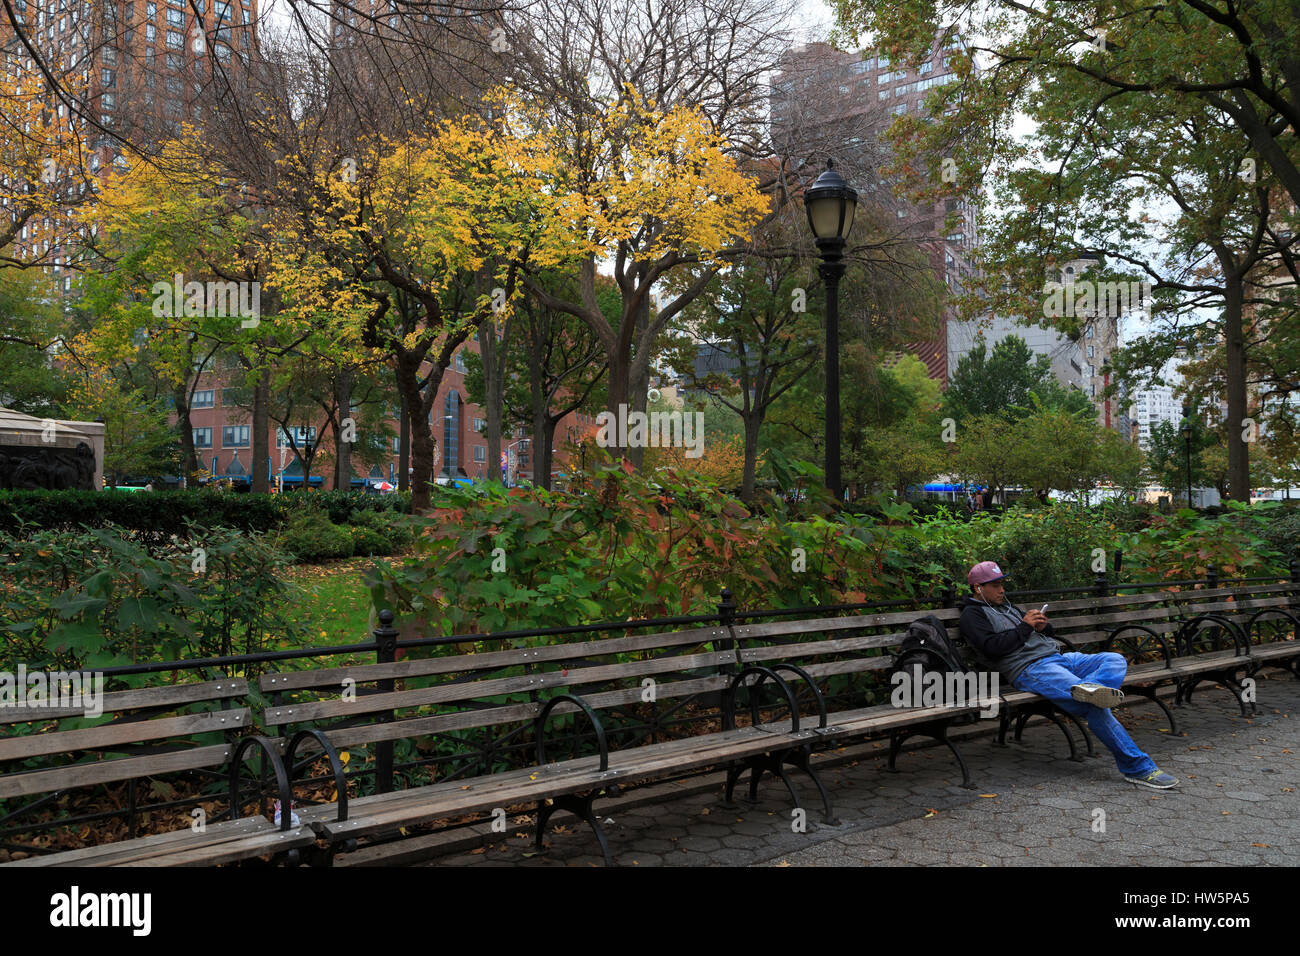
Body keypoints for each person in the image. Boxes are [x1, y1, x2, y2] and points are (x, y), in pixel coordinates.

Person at [958, 561, 1178, 789]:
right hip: (1032, 668)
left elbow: (1040, 635)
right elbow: (991, 648)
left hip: (1061, 659)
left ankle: (1093, 689)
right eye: (995, 585)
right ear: (977, 588)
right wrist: (1024, 627)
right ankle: (1139, 768)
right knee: (1094, 707)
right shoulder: (972, 615)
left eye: (1002, 584)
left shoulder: (1008, 607)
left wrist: (1043, 627)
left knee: (1114, 659)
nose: (1001, 590)